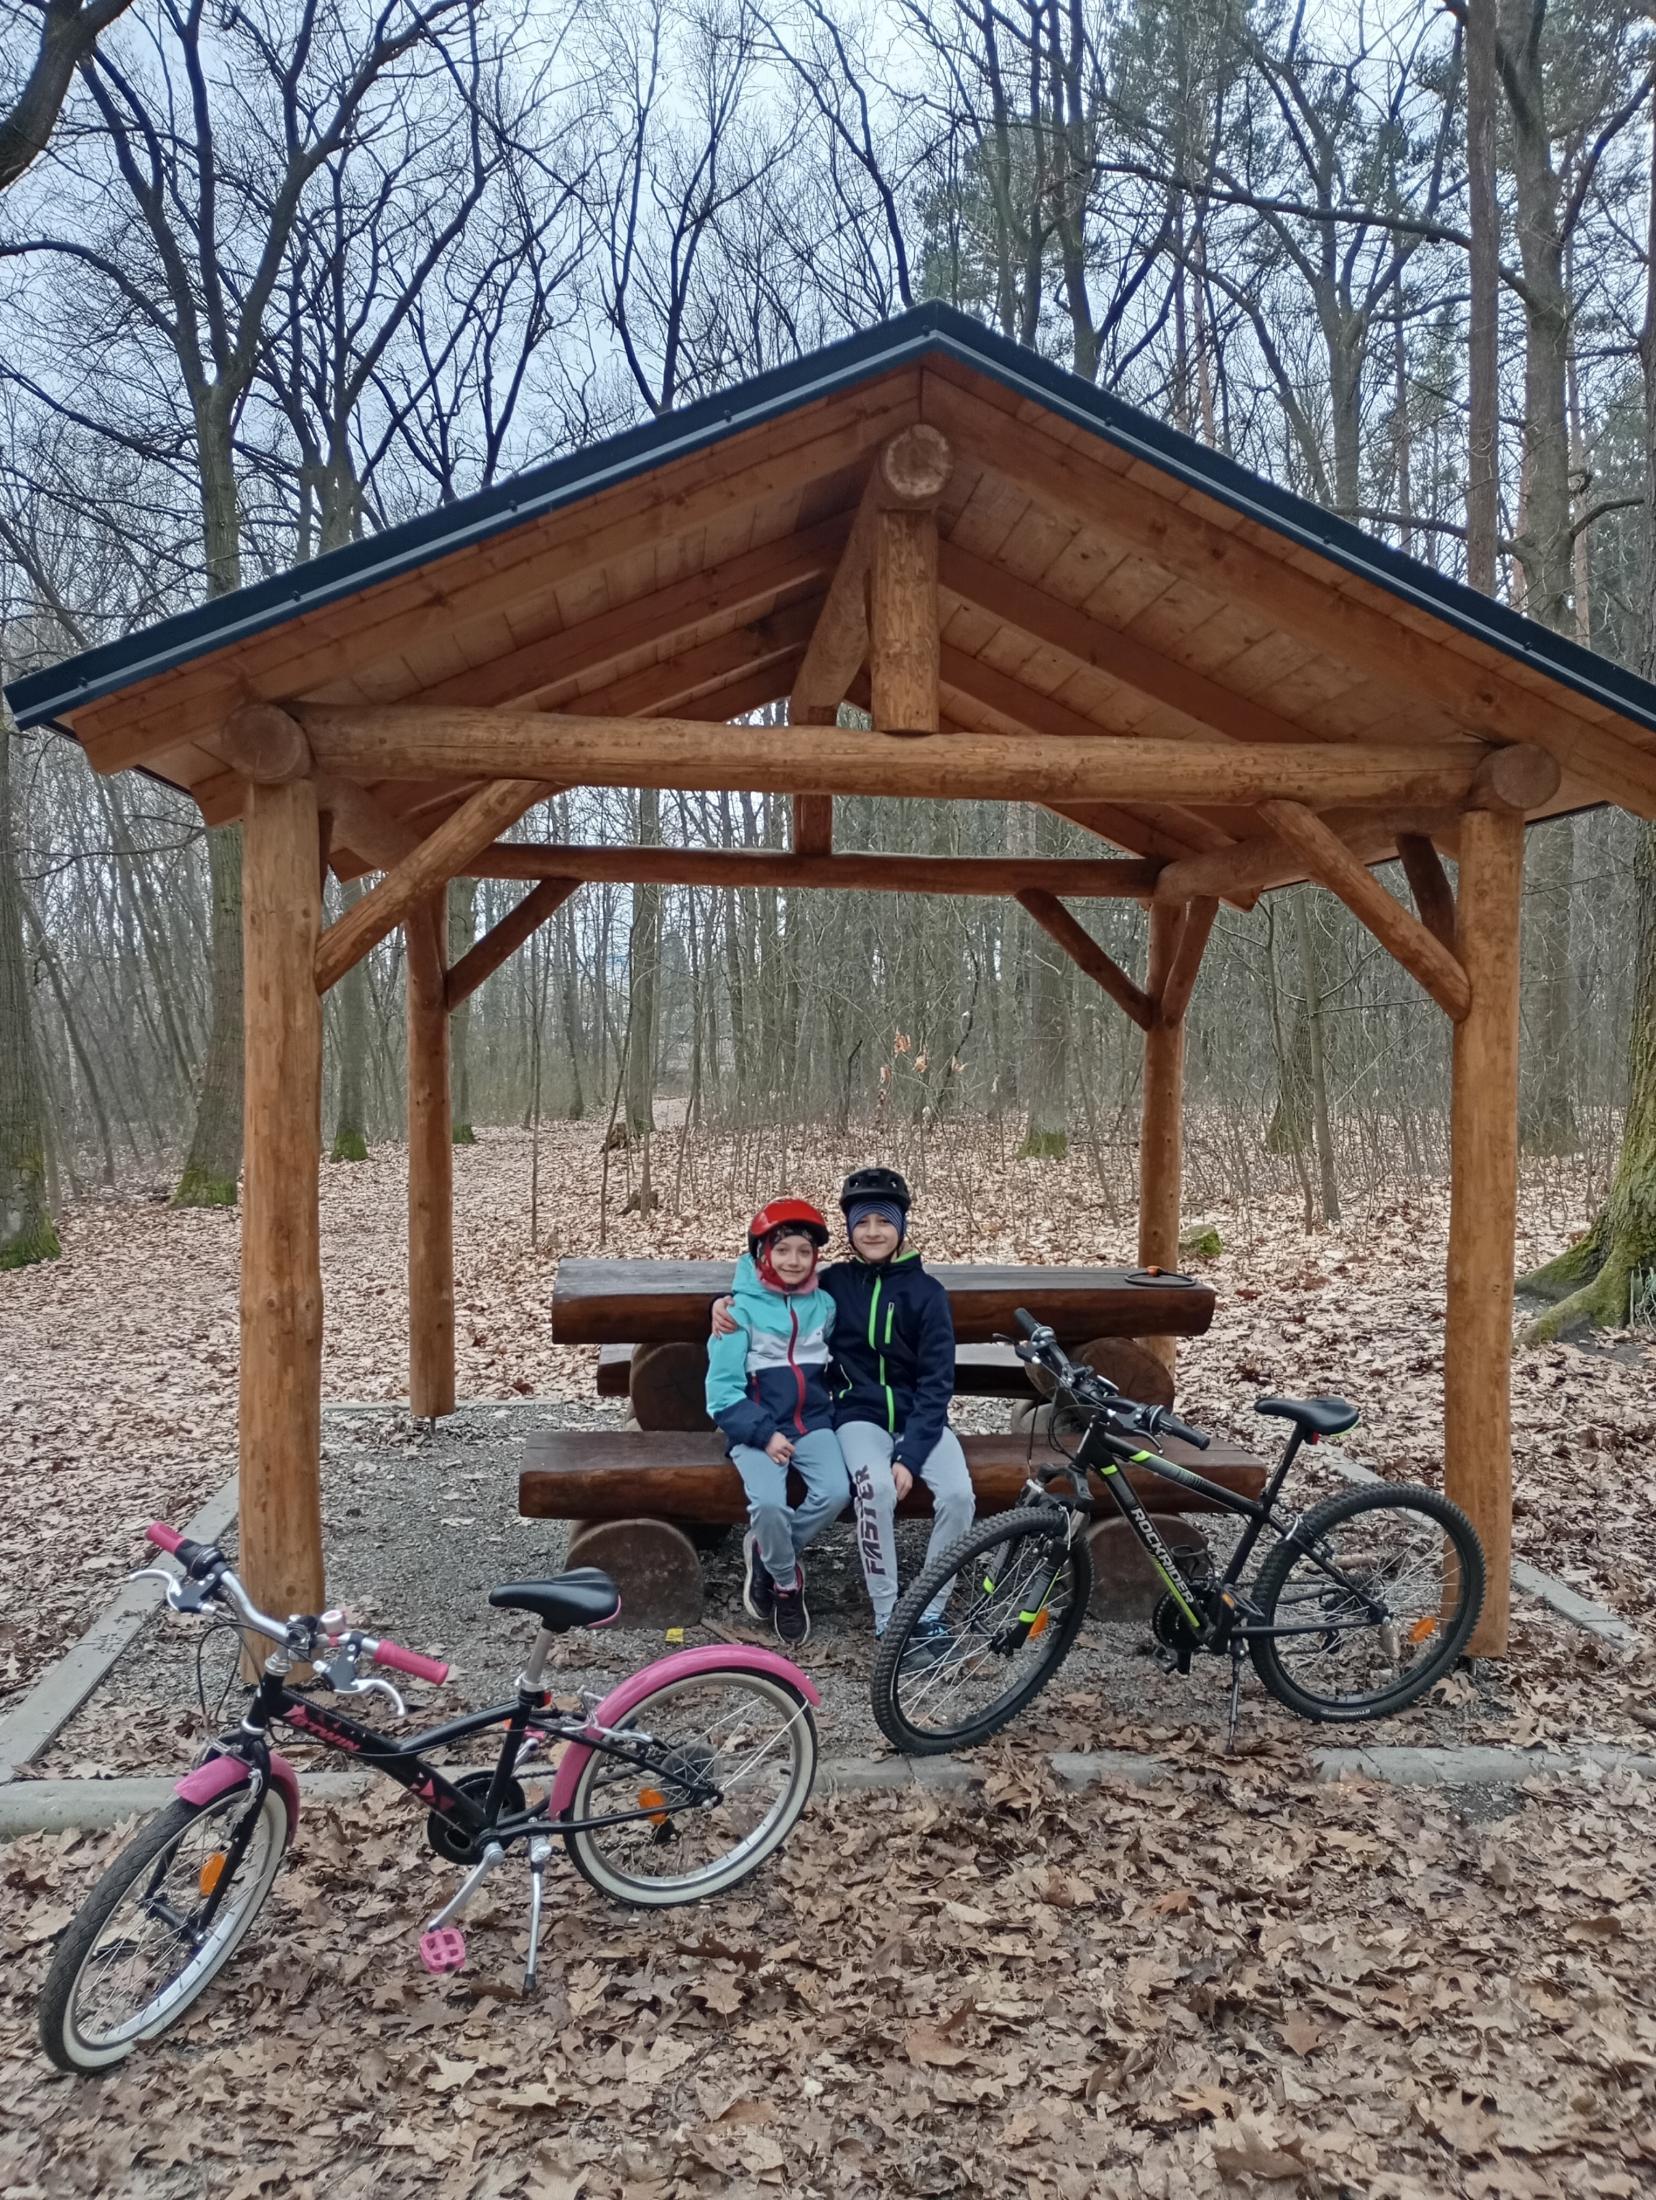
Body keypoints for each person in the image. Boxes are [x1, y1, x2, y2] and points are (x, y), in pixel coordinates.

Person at [713, 1167, 974, 1654]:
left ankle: (929, 1613)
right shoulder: (832, 1285)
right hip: (858, 1416)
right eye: (862, 1222)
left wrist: (911, 1456)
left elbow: (938, 1384)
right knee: (873, 1490)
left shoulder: (927, 1294)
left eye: (884, 1221)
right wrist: (722, 1305)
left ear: (902, 1227)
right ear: (849, 1229)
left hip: (920, 1422)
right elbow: (772, 1288)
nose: (872, 1232)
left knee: (959, 1497)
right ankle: (888, 1616)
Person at [705, 1199, 850, 1646]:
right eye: (782, 1250)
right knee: (768, 1503)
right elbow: (721, 1392)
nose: (793, 1260)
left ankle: (765, 1551)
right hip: (755, 1428)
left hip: (812, 1422)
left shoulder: (825, 1306)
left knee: (836, 1491)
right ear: (762, 1254)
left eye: (804, 1252)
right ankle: (787, 1582)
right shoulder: (737, 1314)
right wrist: (764, 1434)